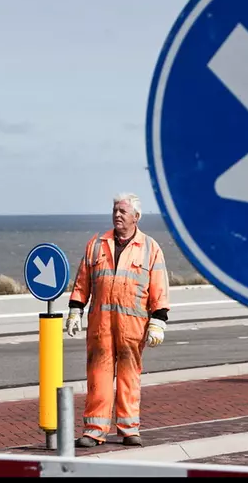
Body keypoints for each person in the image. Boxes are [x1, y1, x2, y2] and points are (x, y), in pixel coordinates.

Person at [65, 192, 170, 448]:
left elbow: (159, 288)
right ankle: (94, 430)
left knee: (129, 377)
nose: (117, 215)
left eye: (123, 211)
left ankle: (129, 429)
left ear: (136, 216)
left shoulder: (150, 248)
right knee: (98, 376)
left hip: (132, 328)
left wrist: (158, 321)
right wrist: (75, 311)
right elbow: (82, 282)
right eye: (115, 210)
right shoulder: (97, 244)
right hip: (101, 326)